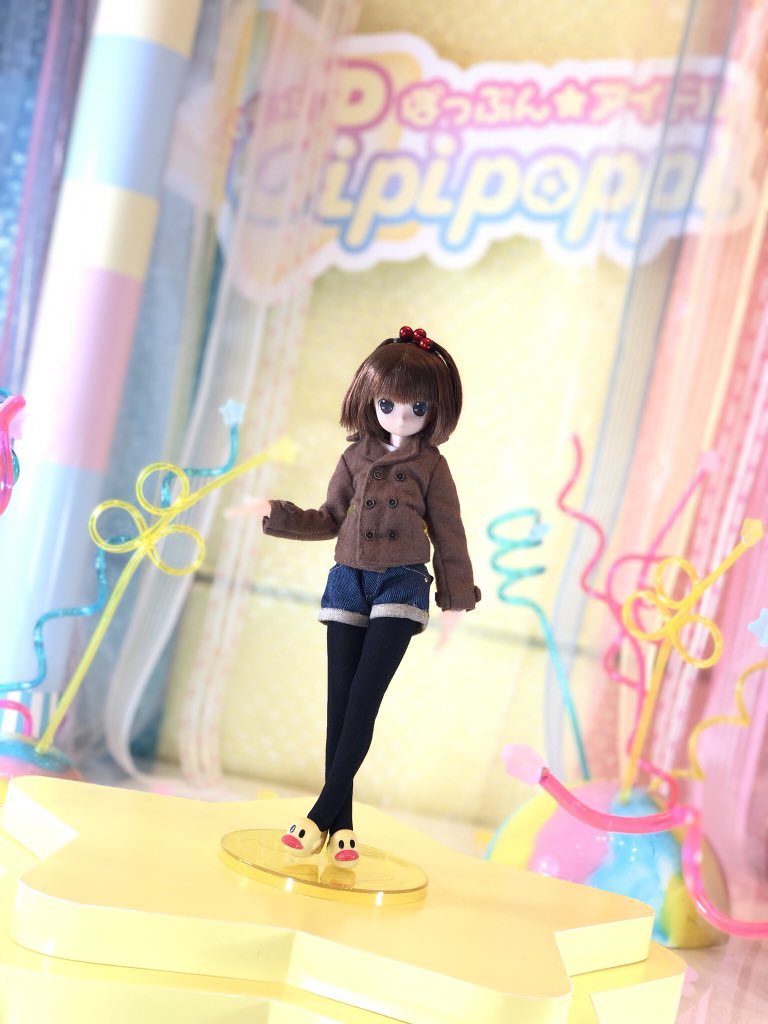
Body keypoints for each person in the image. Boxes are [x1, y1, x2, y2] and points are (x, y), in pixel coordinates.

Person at [241, 326, 479, 868]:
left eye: (417, 407)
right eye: (388, 404)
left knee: (365, 699)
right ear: (370, 400)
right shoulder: (354, 458)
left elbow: (450, 533)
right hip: (348, 580)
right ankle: (342, 825)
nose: (401, 417)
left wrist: (456, 599)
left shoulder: (432, 467)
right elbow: (330, 517)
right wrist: (277, 514)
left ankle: (319, 813)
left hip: (401, 582)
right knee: (341, 703)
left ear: (434, 410)